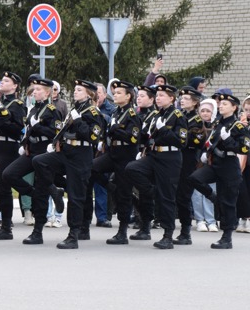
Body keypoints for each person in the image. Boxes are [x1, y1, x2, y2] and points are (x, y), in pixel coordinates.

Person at [30, 80, 105, 249]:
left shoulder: (93, 112)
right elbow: (64, 130)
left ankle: (73, 235)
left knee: (76, 197)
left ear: (89, 94)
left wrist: (78, 122)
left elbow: (92, 137)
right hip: (66, 152)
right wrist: (55, 142)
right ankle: (55, 189)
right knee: (39, 162)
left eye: (79, 90)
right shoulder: (76, 110)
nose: (75, 92)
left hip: (81, 155)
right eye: (75, 89)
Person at [124, 84, 188, 249]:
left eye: (161, 95)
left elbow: (181, 141)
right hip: (154, 155)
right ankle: (151, 192)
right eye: (157, 95)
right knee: (132, 168)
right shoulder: (157, 114)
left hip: (170, 157)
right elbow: (148, 136)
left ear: (171, 98)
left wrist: (164, 129)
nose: (158, 98)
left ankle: (167, 235)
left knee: (167, 196)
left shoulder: (177, 115)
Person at [1, 76, 62, 244]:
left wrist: (38, 127)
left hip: (44, 153)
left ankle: (38, 232)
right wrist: (24, 143)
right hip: (31, 151)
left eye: (39, 90)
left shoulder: (52, 110)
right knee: (9, 174)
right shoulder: (33, 109)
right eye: (34, 90)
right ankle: (39, 192)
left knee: (42, 192)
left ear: (48, 92)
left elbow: (55, 132)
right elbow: (28, 129)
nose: (35, 92)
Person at [189, 92, 250, 249]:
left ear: (234, 107)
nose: (221, 106)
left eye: (225, 104)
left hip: (229, 166)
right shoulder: (217, 124)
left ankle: (226, 237)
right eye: (220, 104)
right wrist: (205, 152)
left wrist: (228, 140)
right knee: (194, 179)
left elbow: (244, 148)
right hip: (214, 163)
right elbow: (210, 141)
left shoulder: (238, 126)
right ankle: (213, 197)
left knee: (228, 203)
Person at [86, 80, 141, 245]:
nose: (115, 95)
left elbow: (133, 138)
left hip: (126, 154)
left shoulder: (132, 115)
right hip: (112, 152)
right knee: (91, 168)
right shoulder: (117, 112)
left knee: (124, 193)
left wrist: (118, 130)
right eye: (114, 93)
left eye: (118, 93)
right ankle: (111, 187)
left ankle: (122, 232)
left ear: (128, 96)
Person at [0, 71, 27, 240]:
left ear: (15, 86)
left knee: (4, 186)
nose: (2, 82)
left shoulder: (17, 104)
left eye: (7, 80)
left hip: (7, 146)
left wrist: (3, 122)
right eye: (2, 79)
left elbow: (17, 129)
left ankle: (6, 228)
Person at [174, 86, 207, 244]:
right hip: (176, 158)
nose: (182, 100)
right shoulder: (180, 116)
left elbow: (196, 141)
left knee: (183, 196)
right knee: (177, 195)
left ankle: (186, 231)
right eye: (181, 98)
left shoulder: (197, 120)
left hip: (188, 159)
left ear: (195, 103)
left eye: (186, 99)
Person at [193, 98, 219, 232]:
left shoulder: (216, 126)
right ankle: (199, 220)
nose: (205, 113)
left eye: (208, 111)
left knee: (210, 192)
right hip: (197, 163)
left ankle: (211, 220)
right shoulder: (195, 125)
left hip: (210, 163)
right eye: (202, 110)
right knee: (197, 193)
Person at [236, 94, 250, 234]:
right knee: (241, 189)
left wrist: (245, 138)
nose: (248, 113)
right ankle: (245, 217)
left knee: (248, 189)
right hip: (239, 159)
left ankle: (249, 219)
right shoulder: (240, 121)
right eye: (246, 109)